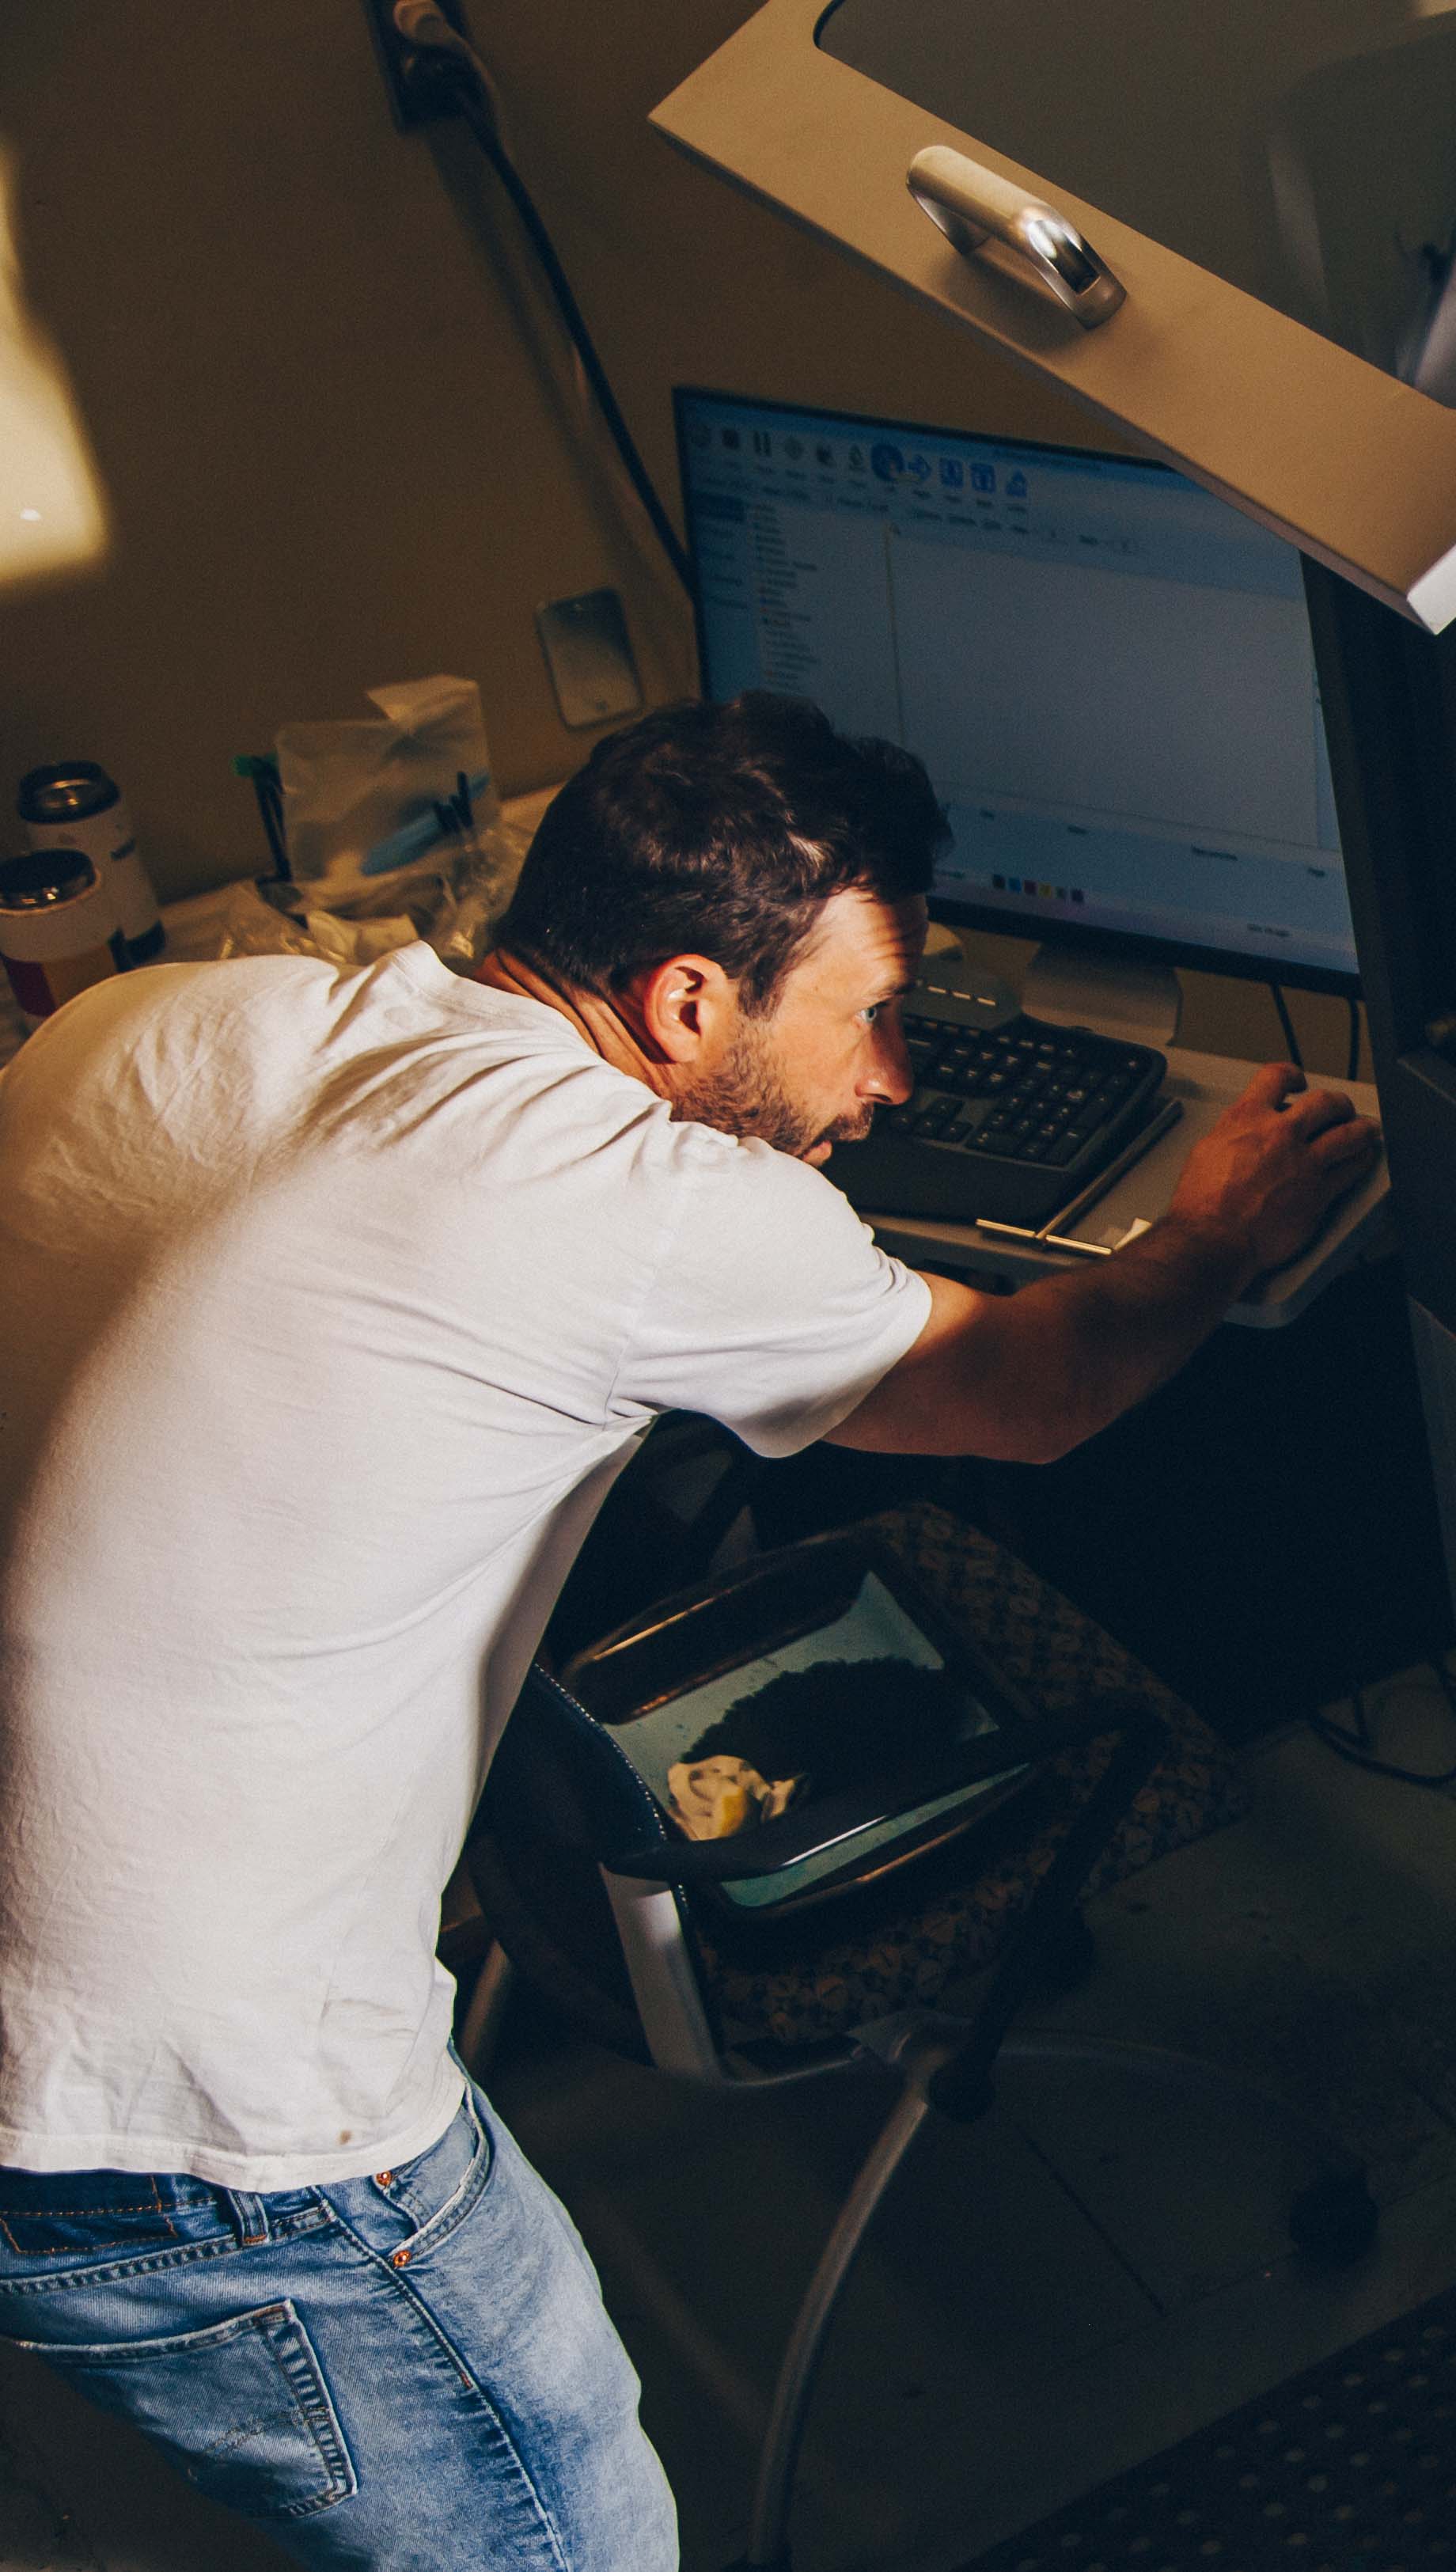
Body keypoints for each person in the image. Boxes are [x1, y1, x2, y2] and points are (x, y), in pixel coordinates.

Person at [0, 692, 1375, 2567]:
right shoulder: (643, 1208)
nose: (892, 1079)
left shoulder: (145, 1016)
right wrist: (1212, 1228)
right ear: (685, 1006)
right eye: (870, 1013)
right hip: (188, 2115)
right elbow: (1037, 1386)